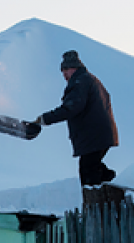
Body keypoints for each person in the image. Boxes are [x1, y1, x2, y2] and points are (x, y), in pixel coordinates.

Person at [35, 50, 119, 189]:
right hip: (99, 135)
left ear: (74, 68)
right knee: (94, 167)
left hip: (93, 136)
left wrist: (45, 119)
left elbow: (72, 108)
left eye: (66, 70)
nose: (64, 75)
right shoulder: (90, 79)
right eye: (62, 71)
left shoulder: (80, 82)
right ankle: (116, 186)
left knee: (88, 172)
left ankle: (96, 202)